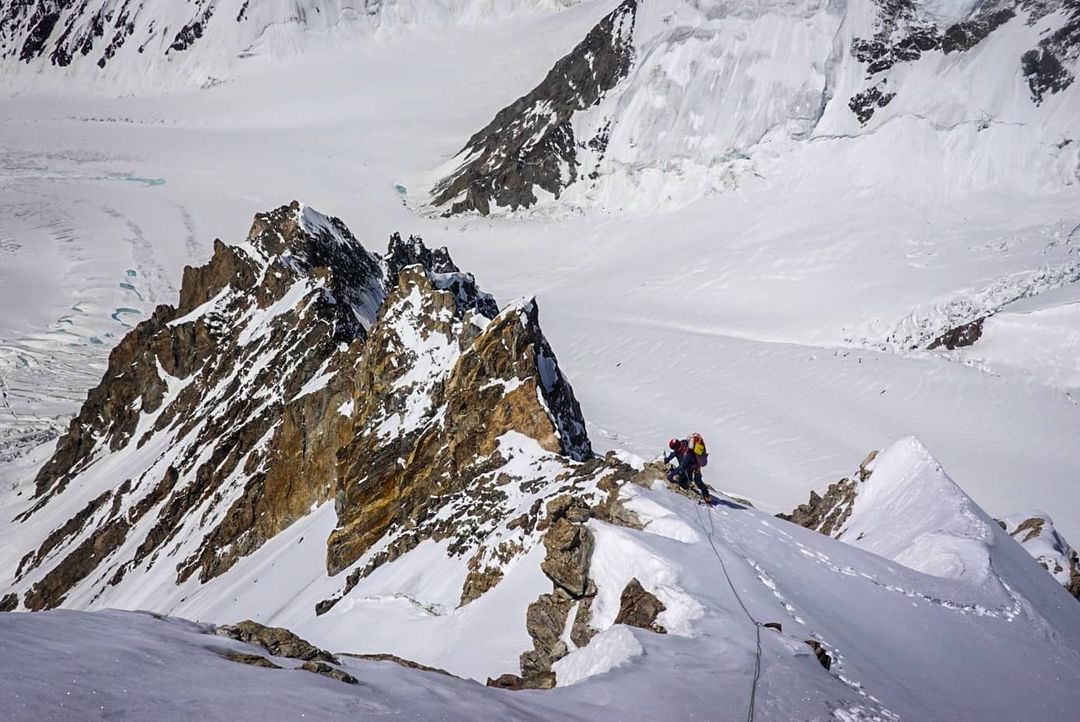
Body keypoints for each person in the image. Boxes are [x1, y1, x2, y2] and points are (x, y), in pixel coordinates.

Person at [664, 438, 711, 502]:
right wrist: (668, 459)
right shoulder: (681, 446)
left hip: (694, 467)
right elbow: (675, 453)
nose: (674, 450)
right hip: (688, 467)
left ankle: (706, 495)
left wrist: (671, 475)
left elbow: (682, 466)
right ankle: (687, 486)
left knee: (698, 482)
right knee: (684, 481)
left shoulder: (687, 453)